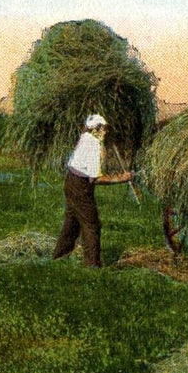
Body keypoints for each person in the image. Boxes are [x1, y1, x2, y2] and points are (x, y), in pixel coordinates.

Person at [52, 113, 132, 268]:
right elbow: (96, 178)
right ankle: (92, 265)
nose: (106, 131)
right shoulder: (94, 145)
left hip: (70, 181)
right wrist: (122, 178)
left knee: (72, 221)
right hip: (81, 186)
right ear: (96, 129)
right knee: (91, 225)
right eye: (103, 128)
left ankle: (59, 256)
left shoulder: (84, 137)